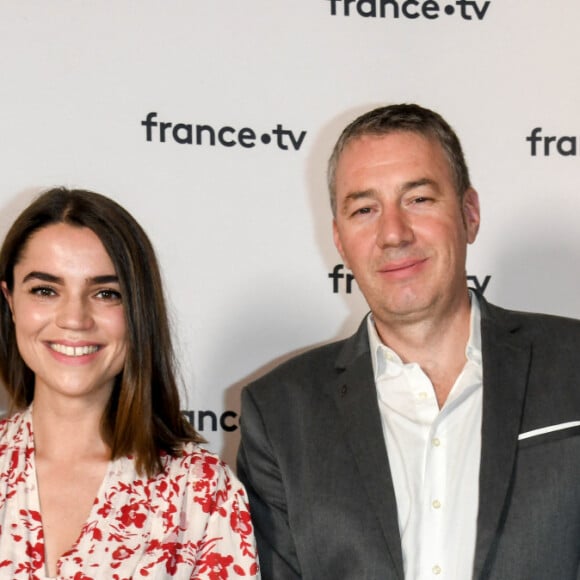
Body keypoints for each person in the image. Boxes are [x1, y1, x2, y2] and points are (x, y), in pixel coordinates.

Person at [237, 103, 580, 579]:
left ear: (470, 214)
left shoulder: (573, 365)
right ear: (339, 240)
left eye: (418, 199)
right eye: (364, 209)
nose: (393, 233)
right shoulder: (278, 413)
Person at [0, 187, 260, 579]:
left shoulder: (202, 492)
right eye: (45, 290)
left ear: (139, 309)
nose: (75, 318)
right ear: (10, 303)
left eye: (106, 293)